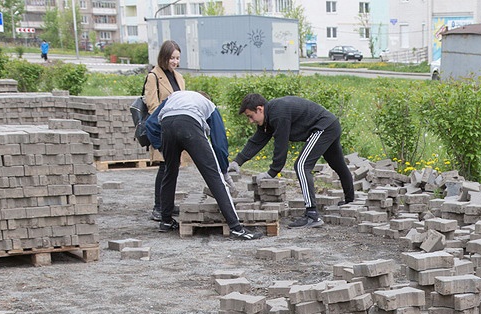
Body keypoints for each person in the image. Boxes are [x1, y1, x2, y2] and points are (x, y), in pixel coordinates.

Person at [144, 91, 262, 241]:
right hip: (189, 125)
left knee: (169, 173)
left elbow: (150, 124)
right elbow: (219, 144)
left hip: (167, 126)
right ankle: (236, 228)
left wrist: (161, 146)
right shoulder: (210, 106)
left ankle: (166, 221)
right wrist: (223, 171)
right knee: (214, 176)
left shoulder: (174, 97)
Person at [229, 93, 355, 229]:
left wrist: (272, 172)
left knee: (301, 165)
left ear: (259, 109)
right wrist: (237, 162)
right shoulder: (268, 118)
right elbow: (257, 141)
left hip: (323, 127)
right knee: (337, 164)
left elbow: (281, 144)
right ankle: (350, 201)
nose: (250, 121)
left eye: (250, 116)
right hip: (330, 125)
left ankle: (312, 215)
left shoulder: (278, 114)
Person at [144, 40, 186, 224]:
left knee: (173, 166)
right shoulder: (154, 76)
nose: (175, 62)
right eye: (172, 58)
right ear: (164, 57)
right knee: (164, 167)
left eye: (177, 58)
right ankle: (158, 206)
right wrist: (164, 124)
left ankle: (167, 204)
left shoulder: (178, 77)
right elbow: (152, 104)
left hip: (176, 129)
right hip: (161, 128)